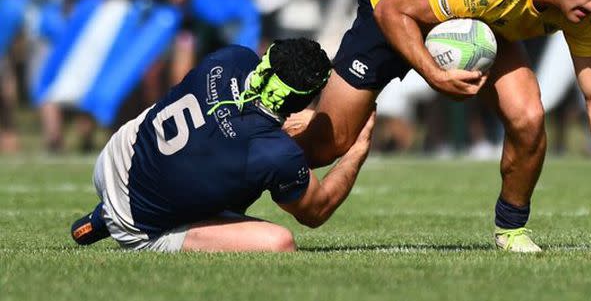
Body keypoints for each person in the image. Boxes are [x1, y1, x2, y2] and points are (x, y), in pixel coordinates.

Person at [293, 0, 591, 253]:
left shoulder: (580, 9)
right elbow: (391, 11)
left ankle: (511, 228)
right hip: (395, 3)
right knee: (328, 145)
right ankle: (270, 126)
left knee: (528, 116)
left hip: (479, 17)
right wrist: (433, 73)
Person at [70, 39, 376, 252]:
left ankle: (101, 218)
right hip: (136, 223)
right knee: (278, 242)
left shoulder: (232, 58)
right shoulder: (276, 153)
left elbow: (235, 120)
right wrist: (356, 152)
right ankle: (116, 221)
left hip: (115, 156)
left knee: (229, 159)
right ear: (303, 100)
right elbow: (316, 210)